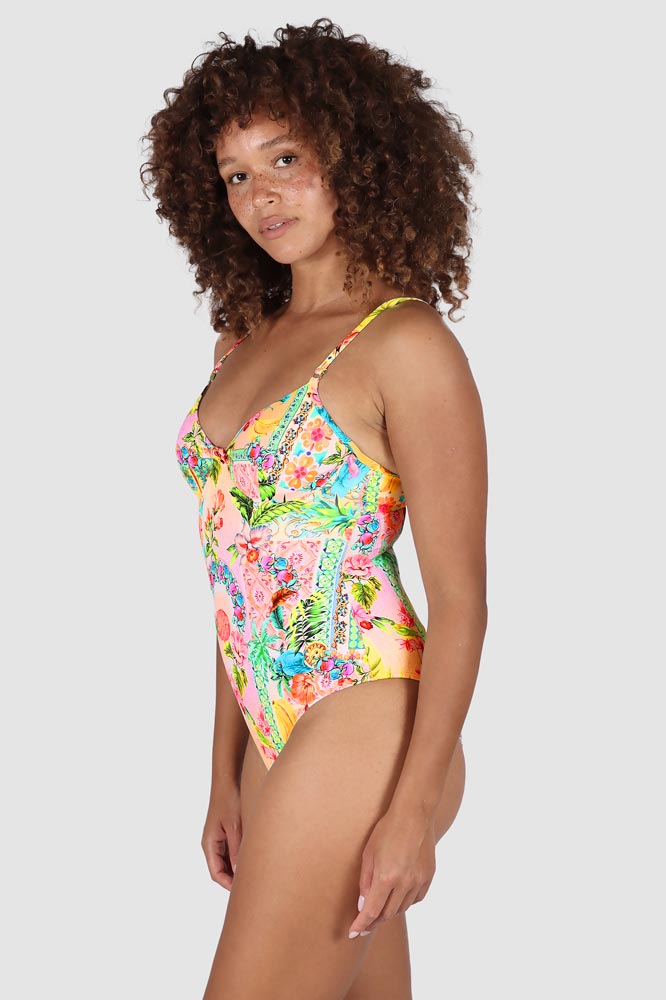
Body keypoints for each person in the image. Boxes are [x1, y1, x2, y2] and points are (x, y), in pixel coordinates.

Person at [140, 18, 487, 999]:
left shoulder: (403, 344)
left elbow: (461, 599)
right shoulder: (240, 345)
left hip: (366, 716)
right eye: (236, 174)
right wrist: (222, 769)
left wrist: (414, 809)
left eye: (285, 159)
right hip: (272, 729)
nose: (261, 195)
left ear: (354, 156)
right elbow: (241, 574)